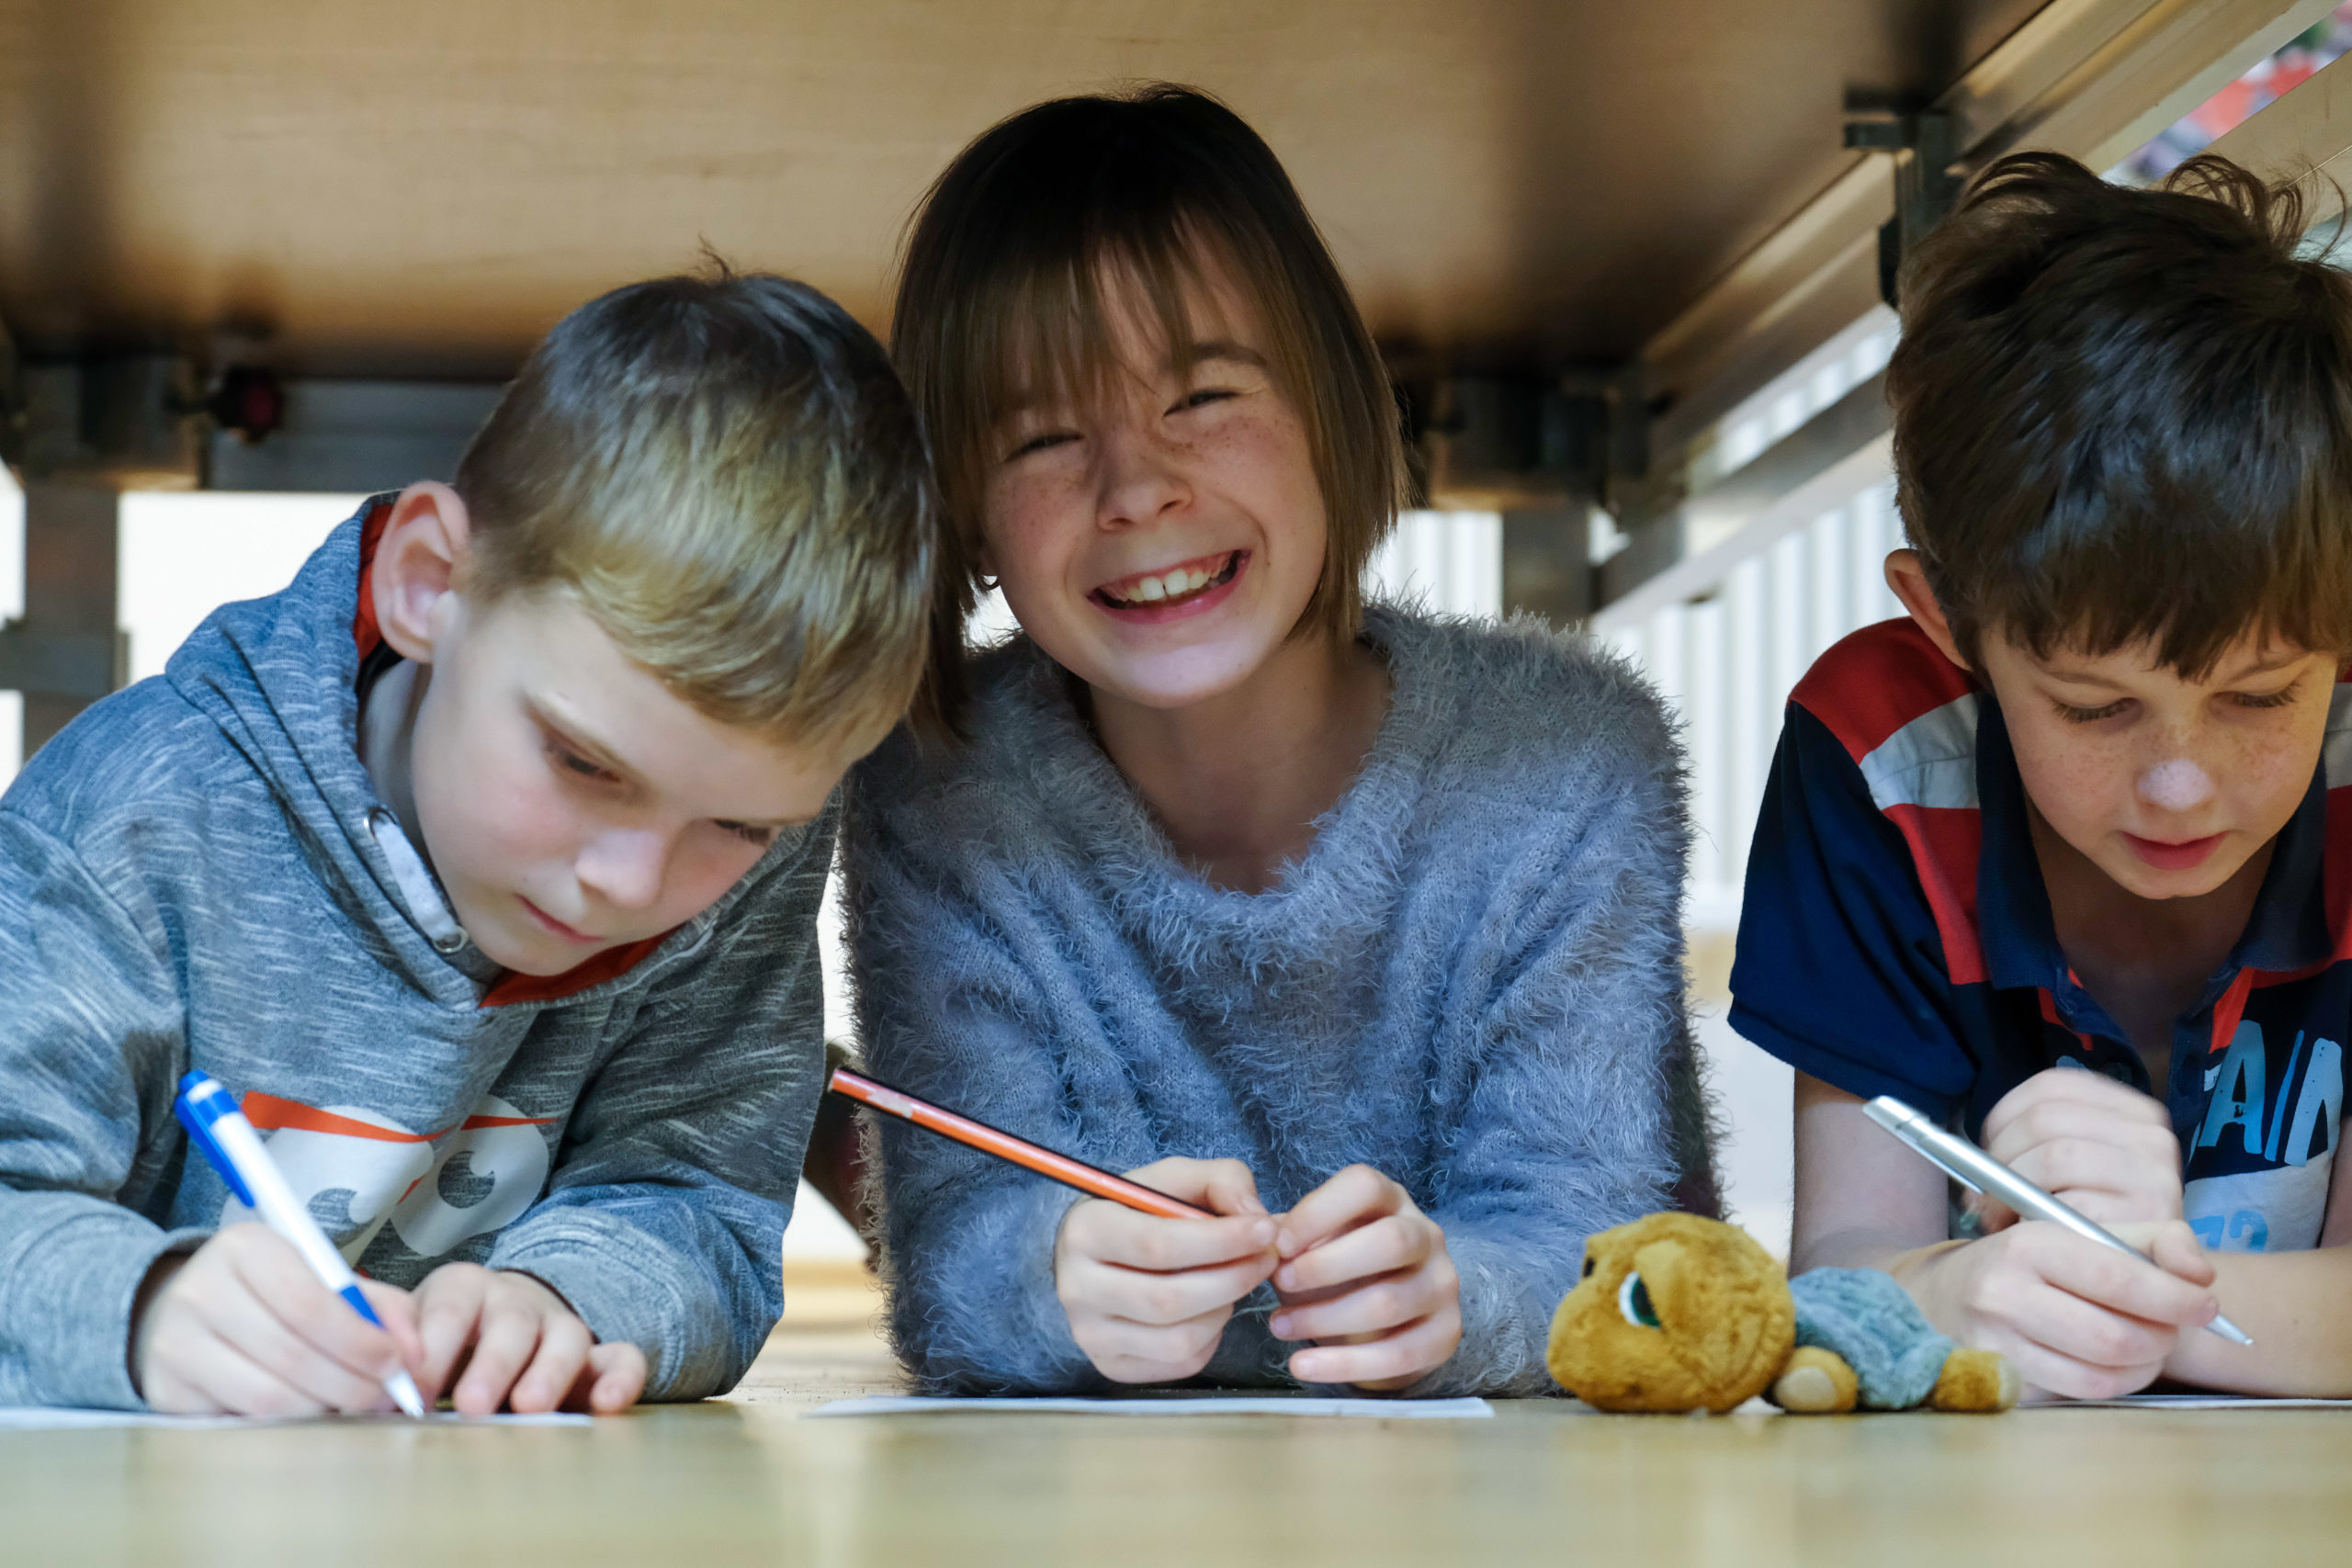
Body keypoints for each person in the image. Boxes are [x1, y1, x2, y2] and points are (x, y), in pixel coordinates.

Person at [844, 85, 1715, 1397]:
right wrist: (1057, 1276)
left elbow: (1617, 1266)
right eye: (1042, 436)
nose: (1137, 488)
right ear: (961, 508)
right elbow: (957, 1263)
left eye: (1201, 395)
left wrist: (1458, 1298)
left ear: (1332, 402)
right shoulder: (935, 789)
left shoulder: (1570, 762)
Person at [0, 267, 956, 1416]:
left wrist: (567, 1300)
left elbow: (694, 1193)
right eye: (583, 764)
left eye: (741, 826)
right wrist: (142, 1307)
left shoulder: (732, 854)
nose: (631, 883)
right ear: (428, 584)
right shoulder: (130, 819)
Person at [1731, 152, 2352, 1399]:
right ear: (1948, 621)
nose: (2181, 783)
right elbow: (1841, 1278)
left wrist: (2116, 1291)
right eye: (2094, 704)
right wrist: (1938, 1294)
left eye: (2260, 695)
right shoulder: (1880, 761)